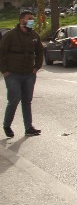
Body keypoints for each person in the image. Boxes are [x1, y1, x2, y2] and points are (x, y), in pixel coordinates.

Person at [0, 9, 43, 138]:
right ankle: (7, 125)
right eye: (29, 19)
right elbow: (1, 52)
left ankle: (29, 127)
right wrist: (4, 70)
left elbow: (40, 51)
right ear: (22, 20)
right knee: (14, 100)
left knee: (27, 101)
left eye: (32, 19)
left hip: (29, 74)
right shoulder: (10, 35)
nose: (31, 21)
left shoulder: (34, 35)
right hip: (13, 74)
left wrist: (37, 67)